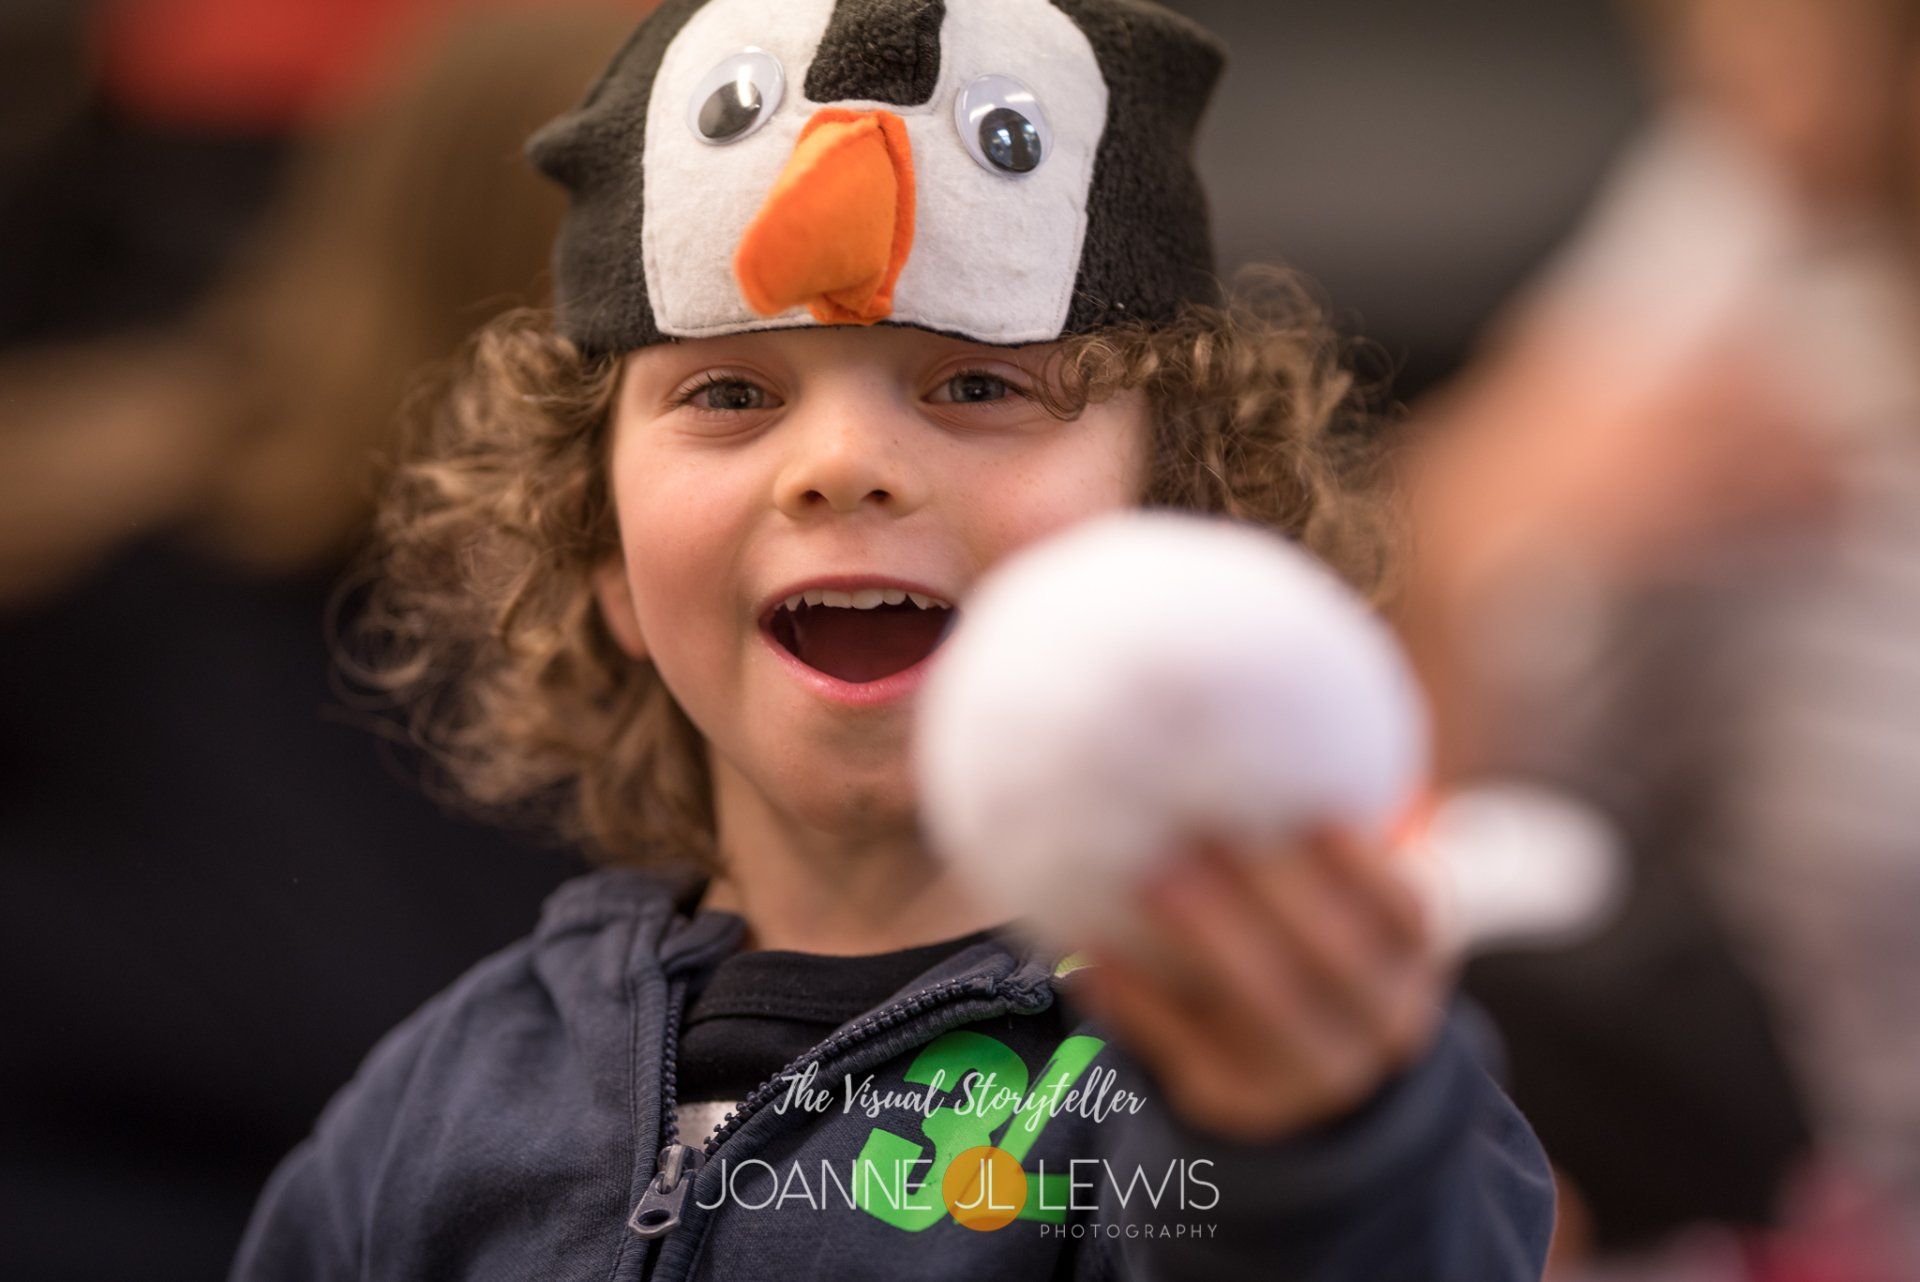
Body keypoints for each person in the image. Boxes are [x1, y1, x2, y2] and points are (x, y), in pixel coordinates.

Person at [231, 2, 1555, 1278]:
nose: (843, 463)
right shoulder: (438, 1103)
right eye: (730, 391)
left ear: (1176, 524)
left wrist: (1318, 1151)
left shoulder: (1234, 1082)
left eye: (976, 383)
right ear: (603, 553)